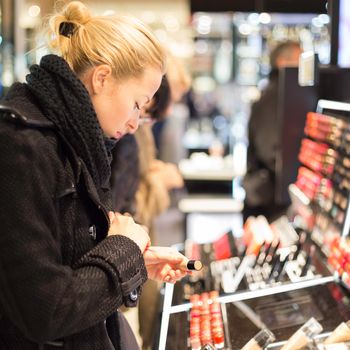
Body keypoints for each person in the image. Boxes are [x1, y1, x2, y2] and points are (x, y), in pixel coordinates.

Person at [0, 2, 191, 349]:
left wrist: (134, 262)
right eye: (137, 103)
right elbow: (47, 310)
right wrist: (122, 250)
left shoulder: (77, 140)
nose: (135, 123)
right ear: (102, 78)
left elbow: (73, 265)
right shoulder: (20, 144)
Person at [242, 41, 302, 223]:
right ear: (283, 62)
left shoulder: (276, 93)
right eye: (299, 60)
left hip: (267, 196)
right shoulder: (274, 96)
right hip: (266, 201)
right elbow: (269, 149)